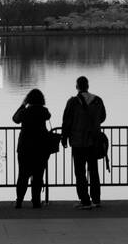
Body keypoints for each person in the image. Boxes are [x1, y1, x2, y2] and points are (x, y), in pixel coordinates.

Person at [61, 76, 107, 209]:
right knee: (94, 171)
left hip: (78, 141)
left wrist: (64, 138)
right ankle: (96, 199)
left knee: (80, 172)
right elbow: (102, 117)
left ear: (77, 87)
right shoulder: (98, 100)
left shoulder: (73, 102)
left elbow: (67, 121)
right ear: (88, 86)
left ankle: (85, 200)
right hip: (94, 140)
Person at [13, 89, 53, 208]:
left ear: (29, 99)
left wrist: (23, 105)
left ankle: (19, 200)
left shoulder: (25, 112)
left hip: (25, 147)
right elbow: (48, 116)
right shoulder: (44, 111)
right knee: (38, 174)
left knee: (23, 175)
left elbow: (15, 119)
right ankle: (36, 201)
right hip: (41, 147)